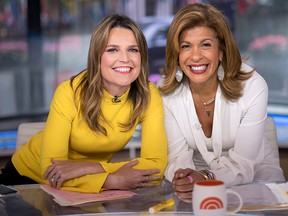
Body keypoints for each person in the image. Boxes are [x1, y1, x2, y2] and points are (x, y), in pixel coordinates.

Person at [0, 14, 167, 193]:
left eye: (133, 49)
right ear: (97, 56)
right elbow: (50, 170)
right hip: (25, 179)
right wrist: (111, 180)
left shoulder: (149, 94)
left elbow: (155, 166)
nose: (125, 58)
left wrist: (90, 167)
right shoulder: (69, 92)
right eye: (112, 50)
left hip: (85, 183)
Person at [158, 3, 285, 203]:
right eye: (185, 46)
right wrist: (185, 178)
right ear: (177, 53)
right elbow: (177, 158)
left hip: (255, 180)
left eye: (206, 44)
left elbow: (244, 164)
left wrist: (207, 178)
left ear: (221, 51)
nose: (196, 55)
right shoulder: (166, 91)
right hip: (194, 181)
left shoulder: (252, 86)